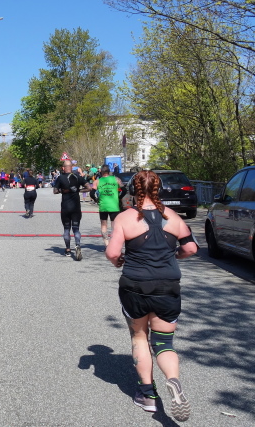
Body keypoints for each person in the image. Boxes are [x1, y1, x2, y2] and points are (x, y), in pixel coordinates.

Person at [105, 170, 197, 421]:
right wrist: (174, 256)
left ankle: (147, 394)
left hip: (135, 285)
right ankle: (173, 381)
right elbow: (190, 248)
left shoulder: (125, 218)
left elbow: (113, 253)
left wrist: (118, 261)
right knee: (164, 343)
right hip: (168, 286)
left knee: (139, 337)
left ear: (132, 191)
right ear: (160, 189)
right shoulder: (173, 217)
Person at [52, 160, 90, 260]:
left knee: (66, 229)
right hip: (76, 207)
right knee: (76, 228)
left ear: (63, 168)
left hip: (65, 207)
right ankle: (77, 245)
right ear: (71, 167)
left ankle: (68, 250)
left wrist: (63, 190)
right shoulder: (77, 177)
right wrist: (78, 190)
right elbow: (89, 187)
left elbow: (55, 191)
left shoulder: (60, 178)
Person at [94, 164, 123, 247]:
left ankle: (107, 244)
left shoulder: (97, 181)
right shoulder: (116, 179)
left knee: (104, 225)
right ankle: (113, 244)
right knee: (114, 226)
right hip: (114, 205)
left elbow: (92, 193)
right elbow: (124, 190)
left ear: (101, 172)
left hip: (103, 205)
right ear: (109, 171)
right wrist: (119, 197)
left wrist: (96, 200)